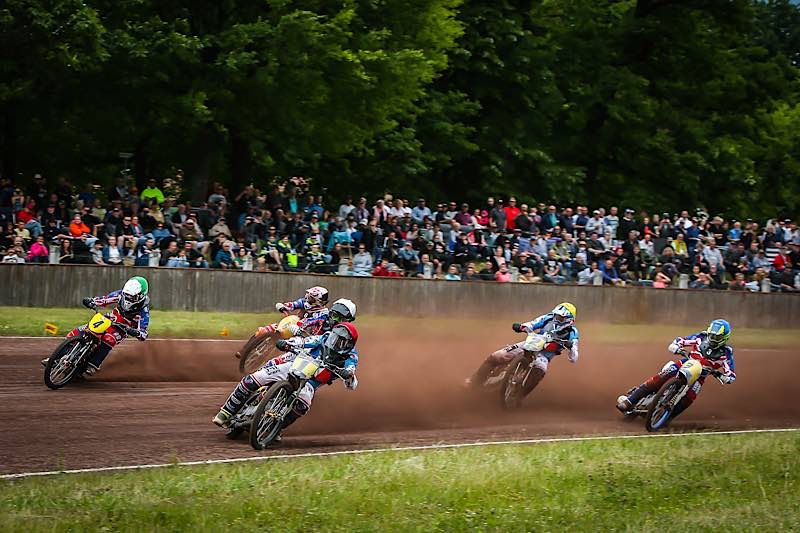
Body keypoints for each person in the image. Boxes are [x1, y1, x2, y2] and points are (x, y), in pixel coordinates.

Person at [213, 322, 360, 436]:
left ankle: (276, 428)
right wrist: (287, 344)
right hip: (293, 367)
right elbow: (305, 341)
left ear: (349, 344)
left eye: (341, 341)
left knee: (303, 405)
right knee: (253, 379)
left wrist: (348, 376)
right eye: (335, 337)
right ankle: (226, 412)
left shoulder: (351, 356)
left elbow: (352, 383)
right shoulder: (324, 337)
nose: (335, 342)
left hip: (310, 383)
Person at [616, 319, 735, 418]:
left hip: (700, 376)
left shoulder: (726, 353)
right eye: (712, 335)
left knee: (689, 398)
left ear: (724, 338)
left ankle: (665, 418)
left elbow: (731, 374)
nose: (713, 339)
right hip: (685, 363)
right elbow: (681, 340)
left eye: (717, 337)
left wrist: (723, 376)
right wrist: (676, 347)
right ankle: (629, 401)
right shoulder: (701, 337)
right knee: (660, 377)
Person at [42, 277, 150, 373]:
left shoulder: (144, 311)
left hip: (122, 329)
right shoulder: (120, 294)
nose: (128, 298)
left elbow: (143, 334)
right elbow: (104, 300)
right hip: (109, 319)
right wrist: (92, 301)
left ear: (141, 296)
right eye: (127, 295)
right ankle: (55, 359)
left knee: (109, 338)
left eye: (132, 297)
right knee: (77, 332)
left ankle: (93, 364)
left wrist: (134, 331)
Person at [465, 303, 580, 394]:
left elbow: (574, 357)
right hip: (530, 343)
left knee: (538, 373)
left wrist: (571, 348)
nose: (557, 318)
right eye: (556, 315)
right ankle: (474, 381)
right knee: (497, 355)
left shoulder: (572, 332)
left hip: (544, 355)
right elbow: (533, 323)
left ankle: (518, 395)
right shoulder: (548, 318)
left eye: (560, 317)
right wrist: (522, 327)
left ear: (569, 319)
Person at [252, 286, 331, 339]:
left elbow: (314, 328)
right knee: (266, 329)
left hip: (305, 337)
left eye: (311, 298)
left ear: (319, 302)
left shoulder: (323, 314)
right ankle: (244, 350)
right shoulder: (304, 302)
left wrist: (301, 329)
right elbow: (293, 304)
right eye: (307, 296)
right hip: (292, 325)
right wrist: (283, 306)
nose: (307, 299)